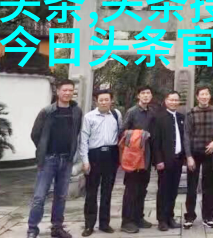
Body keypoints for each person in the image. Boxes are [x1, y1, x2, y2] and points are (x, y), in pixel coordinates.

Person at [27, 79, 83, 238]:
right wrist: (43, 149)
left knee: (61, 196)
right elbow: (35, 134)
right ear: (58, 91)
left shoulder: (76, 111)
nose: (68, 93)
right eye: (64, 90)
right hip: (48, 159)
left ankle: (57, 227)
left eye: (70, 90)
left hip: (66, 160)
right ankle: (32, 228)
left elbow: (76, 132)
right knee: (39, 196)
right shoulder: (47, 111)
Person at [79, 90, 122, 236]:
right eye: (101, 100)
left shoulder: (116, 115)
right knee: (91, 192)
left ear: (111, 100)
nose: (104, 102)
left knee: (107, 191)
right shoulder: (89, 117)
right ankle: (89, 225)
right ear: (96, 101)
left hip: (111, 155)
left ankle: (104, 223)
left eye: (106, 99)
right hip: (94, 156)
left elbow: (119, 134)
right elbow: (84, 139)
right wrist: (85, 160)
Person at [183, 86, 213, 229]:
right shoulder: (191, 113)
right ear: (197, 97)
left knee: (210, 187)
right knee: (191, 187)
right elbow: (187, 135)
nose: (204, 97)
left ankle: (209, 216)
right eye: (202, 94)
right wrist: (188, 156)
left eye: (207, 94)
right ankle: (190, 216)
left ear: (209, 96)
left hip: (211, 153)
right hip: (195, 153)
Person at [120, 86, 156, 233]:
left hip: (146, 156)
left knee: (142, 189)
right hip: (133, 157)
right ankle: (127, 221)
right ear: (138, 96)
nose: (146, 96)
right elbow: (122, 132)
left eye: (148, 93)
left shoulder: (152, 112)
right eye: (143, 93)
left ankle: (138, 217)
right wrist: (139, 134)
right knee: (131, 189)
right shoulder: (132, 112)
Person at [152, 92, 185, 231]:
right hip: (164, 161)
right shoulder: (158, 118)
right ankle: (162, 220)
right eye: (171, 100)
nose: (174, 102)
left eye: (176, 100)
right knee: (163, 191)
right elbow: (155, 142)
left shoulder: (181, 117)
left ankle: (170, 217)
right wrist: (158, 160)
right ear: (166, 101)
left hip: (178, 160)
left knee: (173, 190)